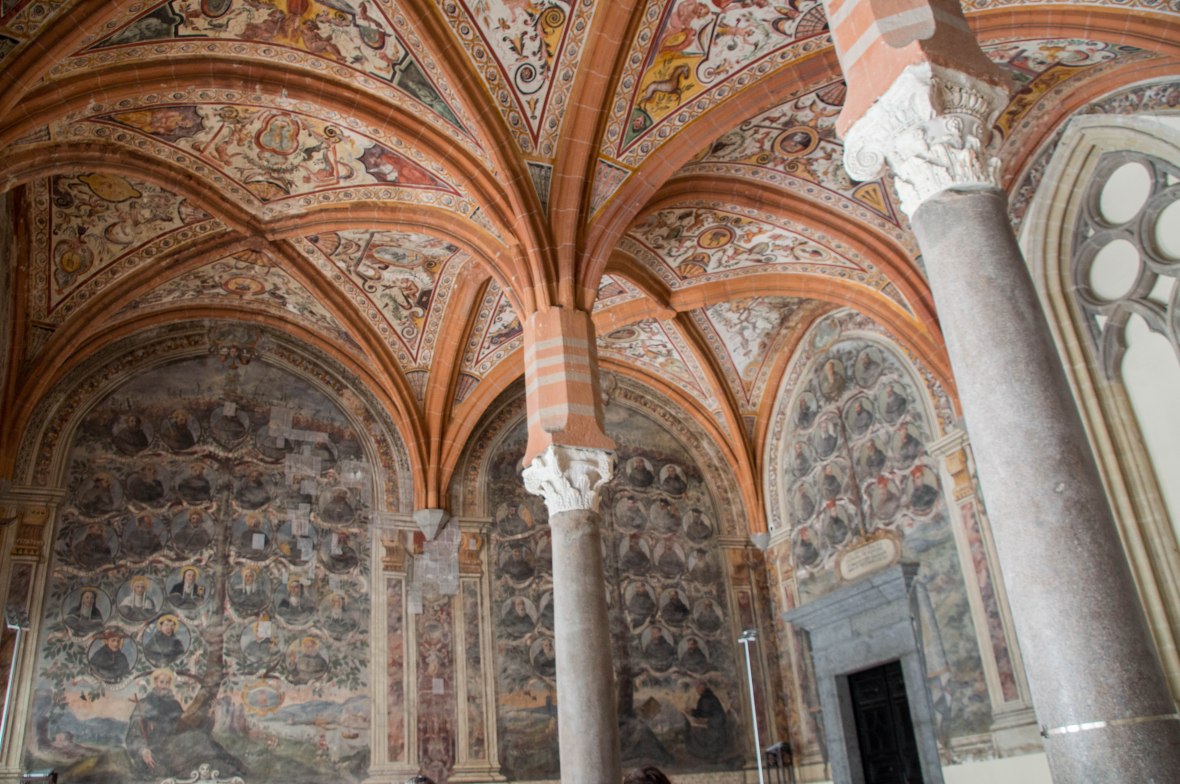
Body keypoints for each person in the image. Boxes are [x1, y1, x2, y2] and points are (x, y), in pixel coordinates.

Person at [125, 668, 244, 777]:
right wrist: (143, 750)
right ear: (155, 682)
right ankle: (235, 769)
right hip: (159, 749)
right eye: (162, 682)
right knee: (200, 740)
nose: (165, 686)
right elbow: (133, 735)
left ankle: (236, 769)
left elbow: (186, 726)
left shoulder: (174, 704)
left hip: (177, 743)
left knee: (201, 739)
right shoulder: (144, 705)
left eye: (167, 683)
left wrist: (210, 714)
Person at [686, 680, 728, 761]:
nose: (697, 690)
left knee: (694, 732)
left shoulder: (706, 698)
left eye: (698, 688)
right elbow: (703, 712)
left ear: (702, 688)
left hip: (715, 725)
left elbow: (704, 715)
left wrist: (693, 714)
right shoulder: (707, 696)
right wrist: (692, 712)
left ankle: (704, 754)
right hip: (714, 723)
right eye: (697, 688)